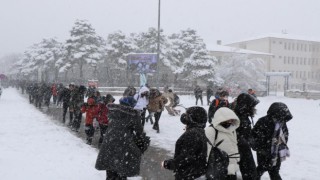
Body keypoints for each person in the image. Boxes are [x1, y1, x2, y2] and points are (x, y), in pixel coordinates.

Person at [95, 95, 144, 180]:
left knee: (110, 168)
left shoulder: (113, 111)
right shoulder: (133, 115)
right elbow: (139, 131)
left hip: (109, 141)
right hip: (123, 144)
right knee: (121, 169)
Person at [162, 106, 207, 179]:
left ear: (193, 118)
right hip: (196, 173)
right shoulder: (199, 131)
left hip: (188, 174)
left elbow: (187, 156)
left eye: (186, 115)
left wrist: (170, 164)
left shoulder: (193, 134)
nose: (184, 117)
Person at [251, 102, 292, 180]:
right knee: (261, 169)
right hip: (263, 151)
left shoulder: (281, 122)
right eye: (282, 112)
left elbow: (285, 134)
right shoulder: (263, 121)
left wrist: (280, 145)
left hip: (276, 152)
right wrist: (261, 148)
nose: (283, 115)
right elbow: (254, 135)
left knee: (274, 171)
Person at [205, 107, 241, 180]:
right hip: (217, 168)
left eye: (232, 119)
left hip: (232, 168)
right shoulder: (211, 130)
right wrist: (205, 166)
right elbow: (207, 150)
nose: (230, 122)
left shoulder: (232, 129)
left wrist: (237, 160)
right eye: (228, 119)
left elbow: (234, 146)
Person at [234, 93, 260, 180]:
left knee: (250, 172)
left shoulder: (243, 115)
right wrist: (245, 141)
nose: (254, 108)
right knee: (249, 172)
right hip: (240, 149)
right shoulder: (239, 117)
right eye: (252, 106)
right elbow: (237, 134)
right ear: (246, 106)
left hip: (243, 148)